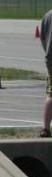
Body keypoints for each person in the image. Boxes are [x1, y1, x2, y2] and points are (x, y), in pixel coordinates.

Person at [40, 8, 52, 137]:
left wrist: (48, 53)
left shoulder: (47, 14)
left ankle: (45, 128)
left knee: (51, 93)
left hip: (50, 59)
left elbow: (42, 38)